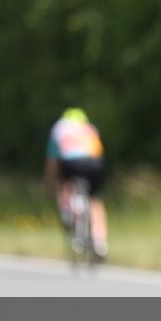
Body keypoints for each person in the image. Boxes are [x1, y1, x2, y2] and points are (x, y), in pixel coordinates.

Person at [43, 107, 108, 259]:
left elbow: (52, 162)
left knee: (66, 186)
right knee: (95, 200)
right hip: (95, 163)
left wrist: (49, 182)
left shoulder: (59, 128)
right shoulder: (90, 128)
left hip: (71, 163)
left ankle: (68, 213)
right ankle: (100, 241)